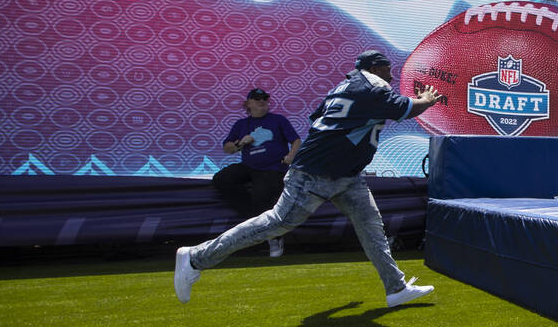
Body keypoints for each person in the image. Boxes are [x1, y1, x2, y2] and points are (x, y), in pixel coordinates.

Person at [173, 50, 444, 306]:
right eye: (387, 70)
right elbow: (407, 109)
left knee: (371, 228)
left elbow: (319, 117)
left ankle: (395, 288)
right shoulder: (370, 86)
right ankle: (196, 257)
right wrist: (428, 100)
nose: (391, 77)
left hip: (345, 174)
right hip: (316, 173)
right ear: (373, 68)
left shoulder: (344, 87)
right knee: (276, 223)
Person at [212, 88, 301, 258]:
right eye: (257, 99)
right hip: (249, 166)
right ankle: (253, 218)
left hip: (273, 167)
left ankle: (274, 237)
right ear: (248, 104)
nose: (262, 102)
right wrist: (240, 143)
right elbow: (227, 148)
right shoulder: (241, 124)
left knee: (262, 195)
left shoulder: (278, 120)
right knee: (222, 178)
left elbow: (296, 140)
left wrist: (291, 156)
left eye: (265, 99)